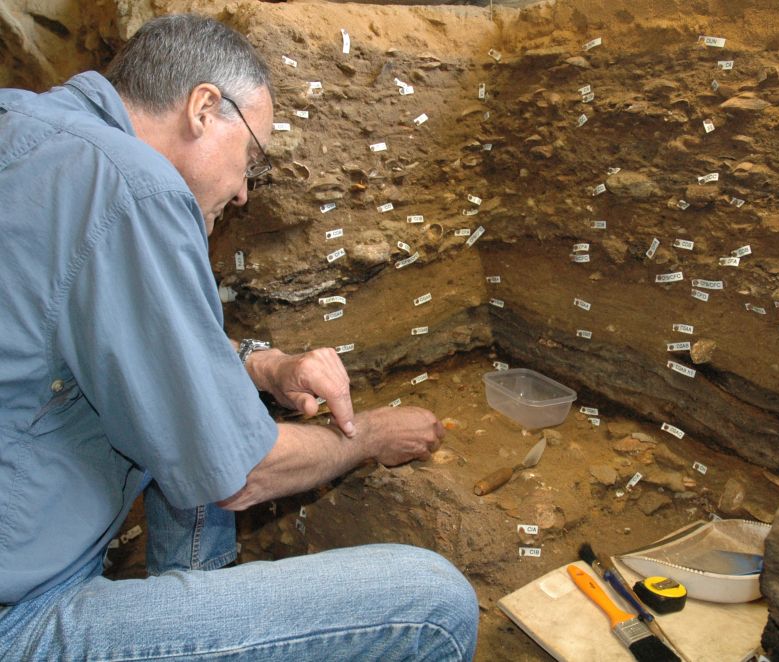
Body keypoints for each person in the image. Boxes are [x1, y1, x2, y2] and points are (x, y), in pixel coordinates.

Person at [0, 13, 478, 662]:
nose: (245, 191)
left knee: (208, 411)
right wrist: (367, 437)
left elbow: (117, 340)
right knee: (433, 604)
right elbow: (240, 477)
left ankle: (200, 599)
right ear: (202, 109)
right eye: (251, 156)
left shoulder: (29, 130)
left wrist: (264, 364)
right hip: (20, 615)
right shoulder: (132, 185)